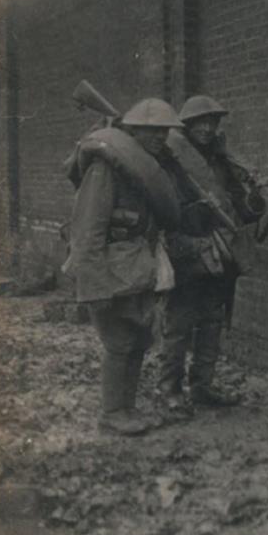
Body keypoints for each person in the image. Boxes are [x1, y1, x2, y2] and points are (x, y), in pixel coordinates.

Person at [156, 94, 268, 415]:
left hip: (222, 250)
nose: (206, 128)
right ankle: (169, 389)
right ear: (186, 126)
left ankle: (202, 386)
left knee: (213, 320)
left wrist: (258, 202)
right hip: (188, 248)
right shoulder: (171, 161)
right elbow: (163, 207)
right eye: (199, 123)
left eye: (212, 122)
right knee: (179, 323)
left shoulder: (221, 161)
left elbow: (240, 206)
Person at [63, 98, 184, 436]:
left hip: (135, 271)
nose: (159, 138)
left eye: (163, 132)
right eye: (151, 131)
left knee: (137, 340)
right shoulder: (105, 171)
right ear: (132, 132)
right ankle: (113, 413)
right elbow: (87, 232)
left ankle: (127, 409)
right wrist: (94, 287)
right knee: (118, 343)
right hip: (108, 272)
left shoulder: (144, 173)